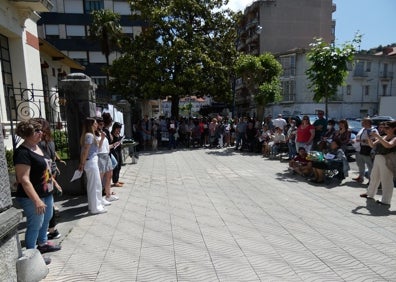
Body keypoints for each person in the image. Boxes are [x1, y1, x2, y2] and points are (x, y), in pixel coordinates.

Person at [14, 119, 61, 257]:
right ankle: (31, 255)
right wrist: (37, 200)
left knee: (47, 218)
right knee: (35, 223)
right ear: (27, 134)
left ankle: (43, 244)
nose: (41, 133)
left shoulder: (37, 146)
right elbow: (23, 179)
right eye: (37, 131)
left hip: (46, 192)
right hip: (32, 196)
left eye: (41, 130)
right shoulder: (22, 152)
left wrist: (54, 183)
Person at [35, 118, 65, 240]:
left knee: (46, 202)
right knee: (49, 201)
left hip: (45, 175)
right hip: (51, 172)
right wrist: (56, 162)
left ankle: (49, 230)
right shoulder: (50, 142)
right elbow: (52, 156)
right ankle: (51, 229)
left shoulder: (40, 144)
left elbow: (45, 160)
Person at [360, 121, 396, 207]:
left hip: (387, 160)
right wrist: (369, 138)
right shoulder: (383, 136)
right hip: (378, 158)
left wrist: (378, 136)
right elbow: (372, 145)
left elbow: (388, 145)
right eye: (384, 128)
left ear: (394, 128)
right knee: (374, 177)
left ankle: (386, 200)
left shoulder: (394, 138)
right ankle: (370, 193)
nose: (384, 129)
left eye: (387, 128)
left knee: (386, 180)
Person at [78, 117, 107, 214]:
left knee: (94, 185)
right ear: (91, 125)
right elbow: (85, 150)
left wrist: (102, 138)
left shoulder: (90, 135)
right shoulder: (89, 135)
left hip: (91, 161)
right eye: (95, 123)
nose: (97, 125)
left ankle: (94, 206)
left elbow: (97, 148)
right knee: (95, 185)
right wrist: (82, 163)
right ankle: (95, 208)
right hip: (91, 162)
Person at [96, 117, 119, 202]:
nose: (102, 126)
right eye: (100, 124)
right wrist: (102, 138)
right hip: (100, 156)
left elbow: (106, 147)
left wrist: (113, 145)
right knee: (100, 178)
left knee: (109, 175)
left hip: (106, 154)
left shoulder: (102, 133)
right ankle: (100, 198)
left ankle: (108, 195)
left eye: (103, 124)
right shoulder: (95, 135)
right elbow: (98, 147)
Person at [353, 118, 377, 183]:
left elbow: (373, 141)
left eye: (363, 122)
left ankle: (371, 180)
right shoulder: (363, 129)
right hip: (360, 149)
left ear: (368, 123)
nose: (361, 123)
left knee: (370, 166)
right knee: (360, 165)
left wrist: (360, 141)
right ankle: (361, 177)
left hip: (368, 150)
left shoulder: (373, 130)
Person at [110, 122, 124, 187]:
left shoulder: (118, 134)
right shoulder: (111, 135)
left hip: (119, 151)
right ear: (114, 128)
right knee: (116, 166)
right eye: (118, 128)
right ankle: (115, 181)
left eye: (120, 129)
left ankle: (117, 180)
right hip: (114, 152)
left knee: (119, 165)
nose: (119, 130)